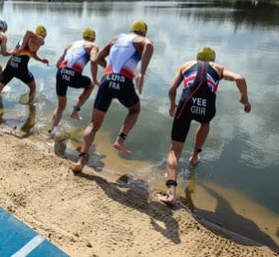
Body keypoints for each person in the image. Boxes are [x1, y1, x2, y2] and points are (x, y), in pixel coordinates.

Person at [158, 46, 251, 206]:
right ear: (212, 59)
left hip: (186, 104)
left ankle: (171, 194)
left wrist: (172, 105)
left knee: (175, 150)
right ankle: (195, 155)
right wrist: (244, 99)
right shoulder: (219, 68)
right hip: (207, 107)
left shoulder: (186, 65)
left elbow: (172, 88)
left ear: (197, 57)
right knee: (205, 122)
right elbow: (240, 78)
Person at [72, 20, 154, 174]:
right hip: (124, 82)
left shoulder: (116, 39)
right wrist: (142, 72)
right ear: (143, 32)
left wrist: (111, 71)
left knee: (93, 125)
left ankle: (81, 159)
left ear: (131, 29)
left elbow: (96, 59)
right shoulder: (140, 40)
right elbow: (149, 45)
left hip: (106, 80)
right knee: (134, 110)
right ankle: (120, 139)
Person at [48, 27, 100, 137]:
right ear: (92, 38)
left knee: (60, 107)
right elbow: (94, 61)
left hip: (60, 73)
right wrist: (95, 78)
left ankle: (51, 132)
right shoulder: (92, 46)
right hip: (73, 75)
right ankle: (75, 111)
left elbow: (58, 64)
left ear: (83, 36)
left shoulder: (70, 45)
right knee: (90, 86)